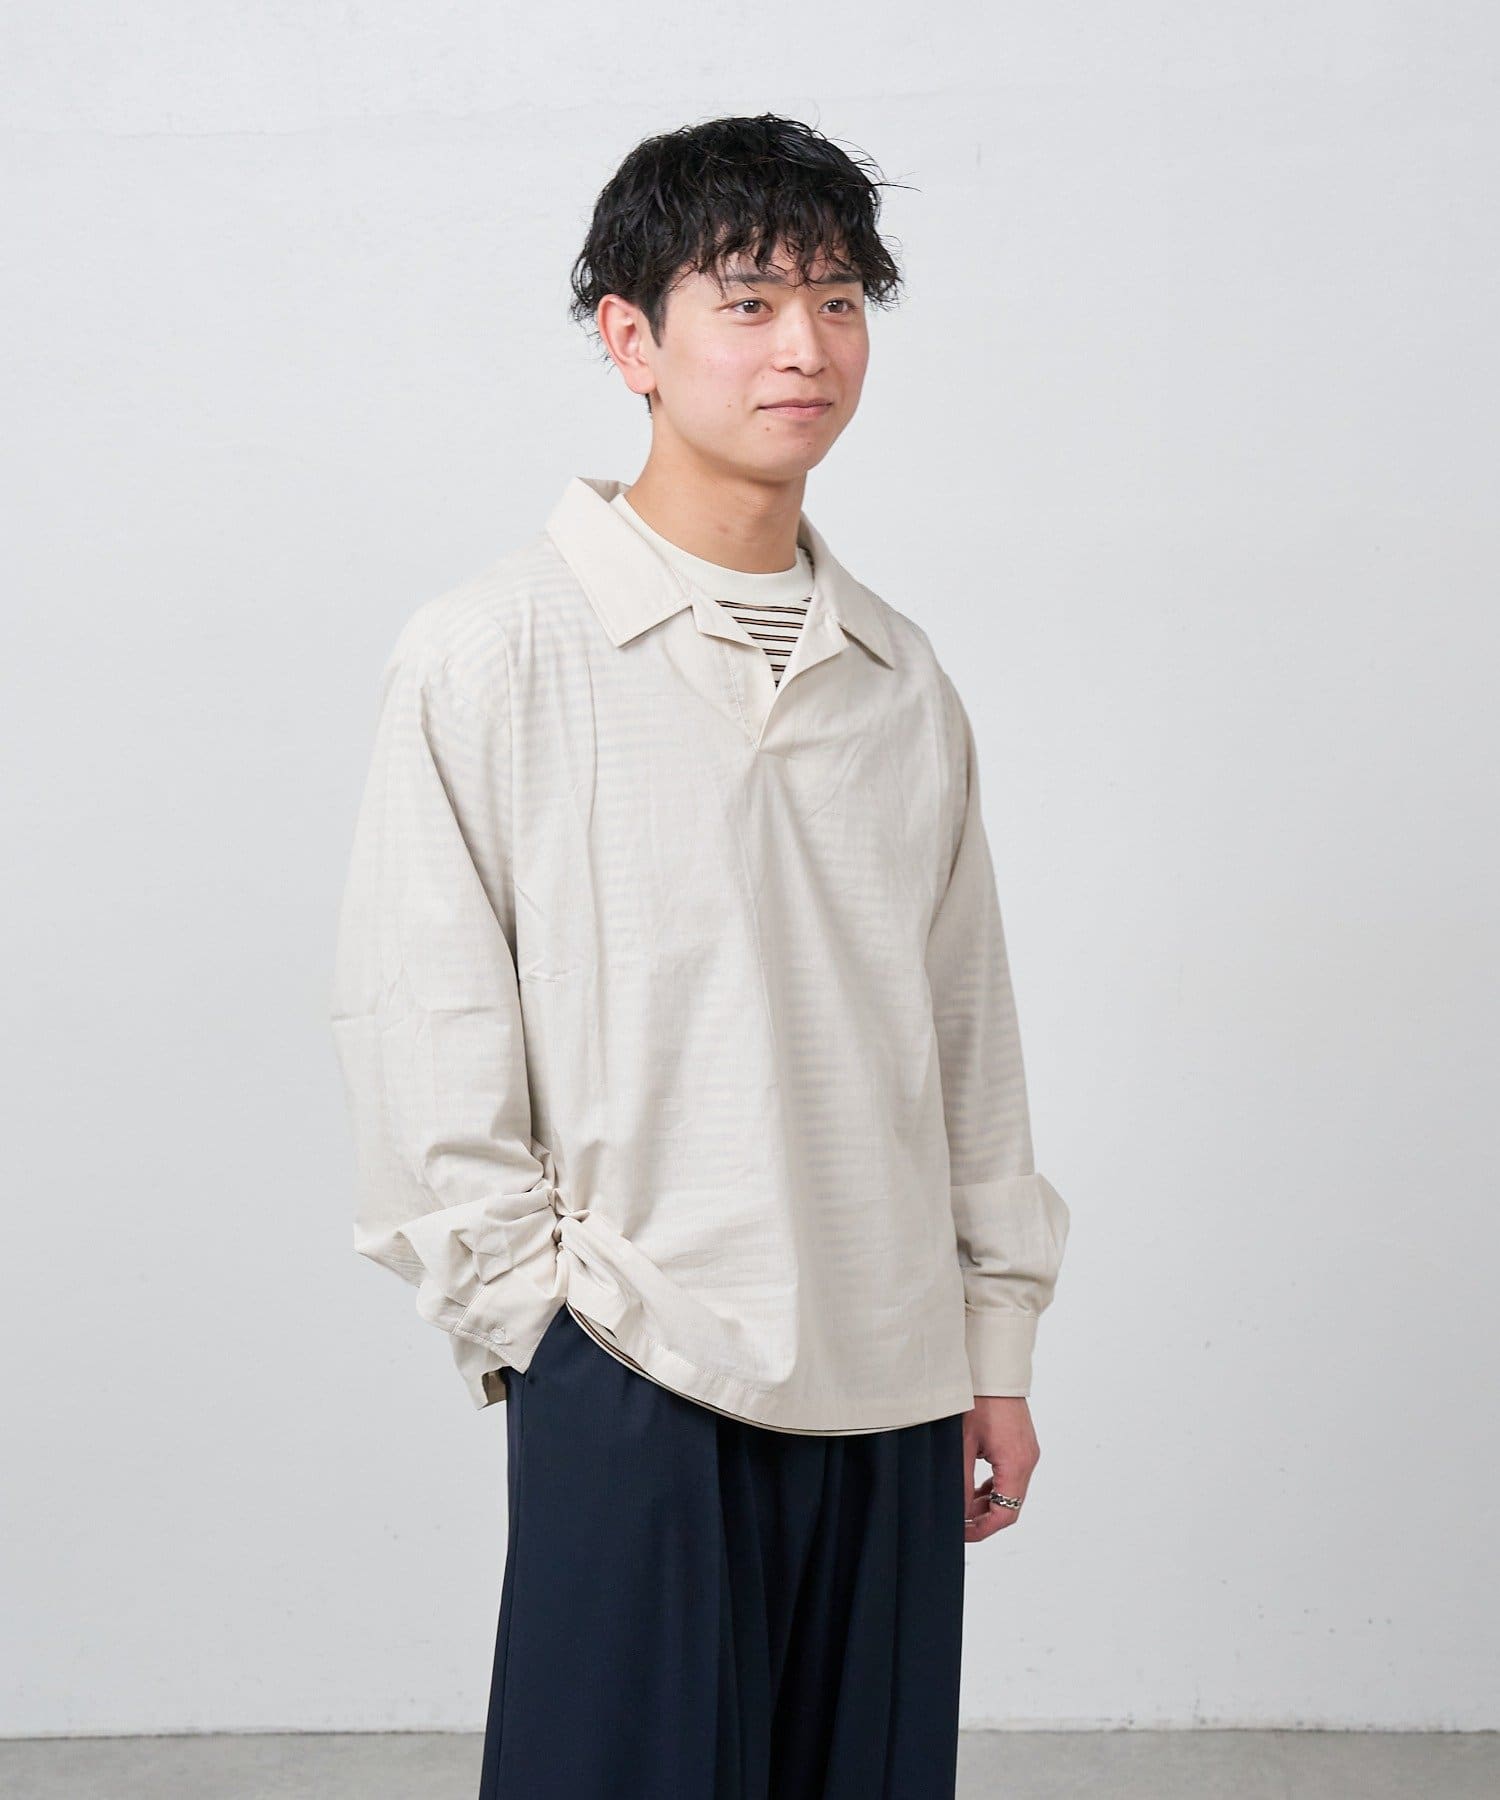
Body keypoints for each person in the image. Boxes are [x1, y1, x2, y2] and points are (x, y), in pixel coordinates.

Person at [328, 111, 1071, 1800]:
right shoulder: (493, 650)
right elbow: (420, 1017)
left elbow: (967, 1036)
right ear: (632, 340)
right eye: (748, 300)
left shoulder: (901, 676)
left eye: (838, 300)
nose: (805, 345)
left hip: (894, 1367)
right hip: (637, 1353)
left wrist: (994, 1346)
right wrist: (546, 1331)